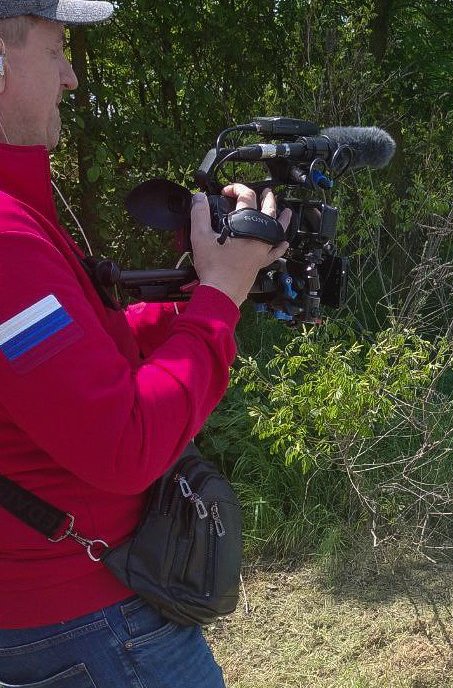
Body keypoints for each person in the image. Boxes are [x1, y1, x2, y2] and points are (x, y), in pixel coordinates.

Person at [0, 3, 289, 687]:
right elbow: (125, 444)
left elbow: (68, 371)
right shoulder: (7, 240)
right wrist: (218, 299)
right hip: (91, 625)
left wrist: (202, 298)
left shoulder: (19, 215)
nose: (71, 76)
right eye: (56, 50)